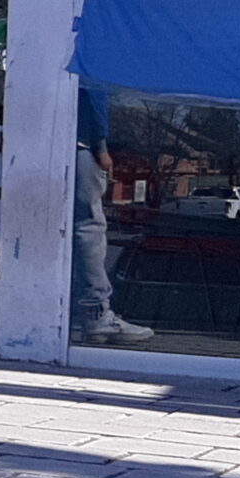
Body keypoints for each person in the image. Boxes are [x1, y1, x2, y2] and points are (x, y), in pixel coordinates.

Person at [72, 85, 154, 344]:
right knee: (88, 226)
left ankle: (49, 313)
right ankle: (95, 314)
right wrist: (100, 146)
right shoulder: (87, 59)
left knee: (53, 225)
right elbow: (93, 91)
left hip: (42, 140)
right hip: (80, 142)